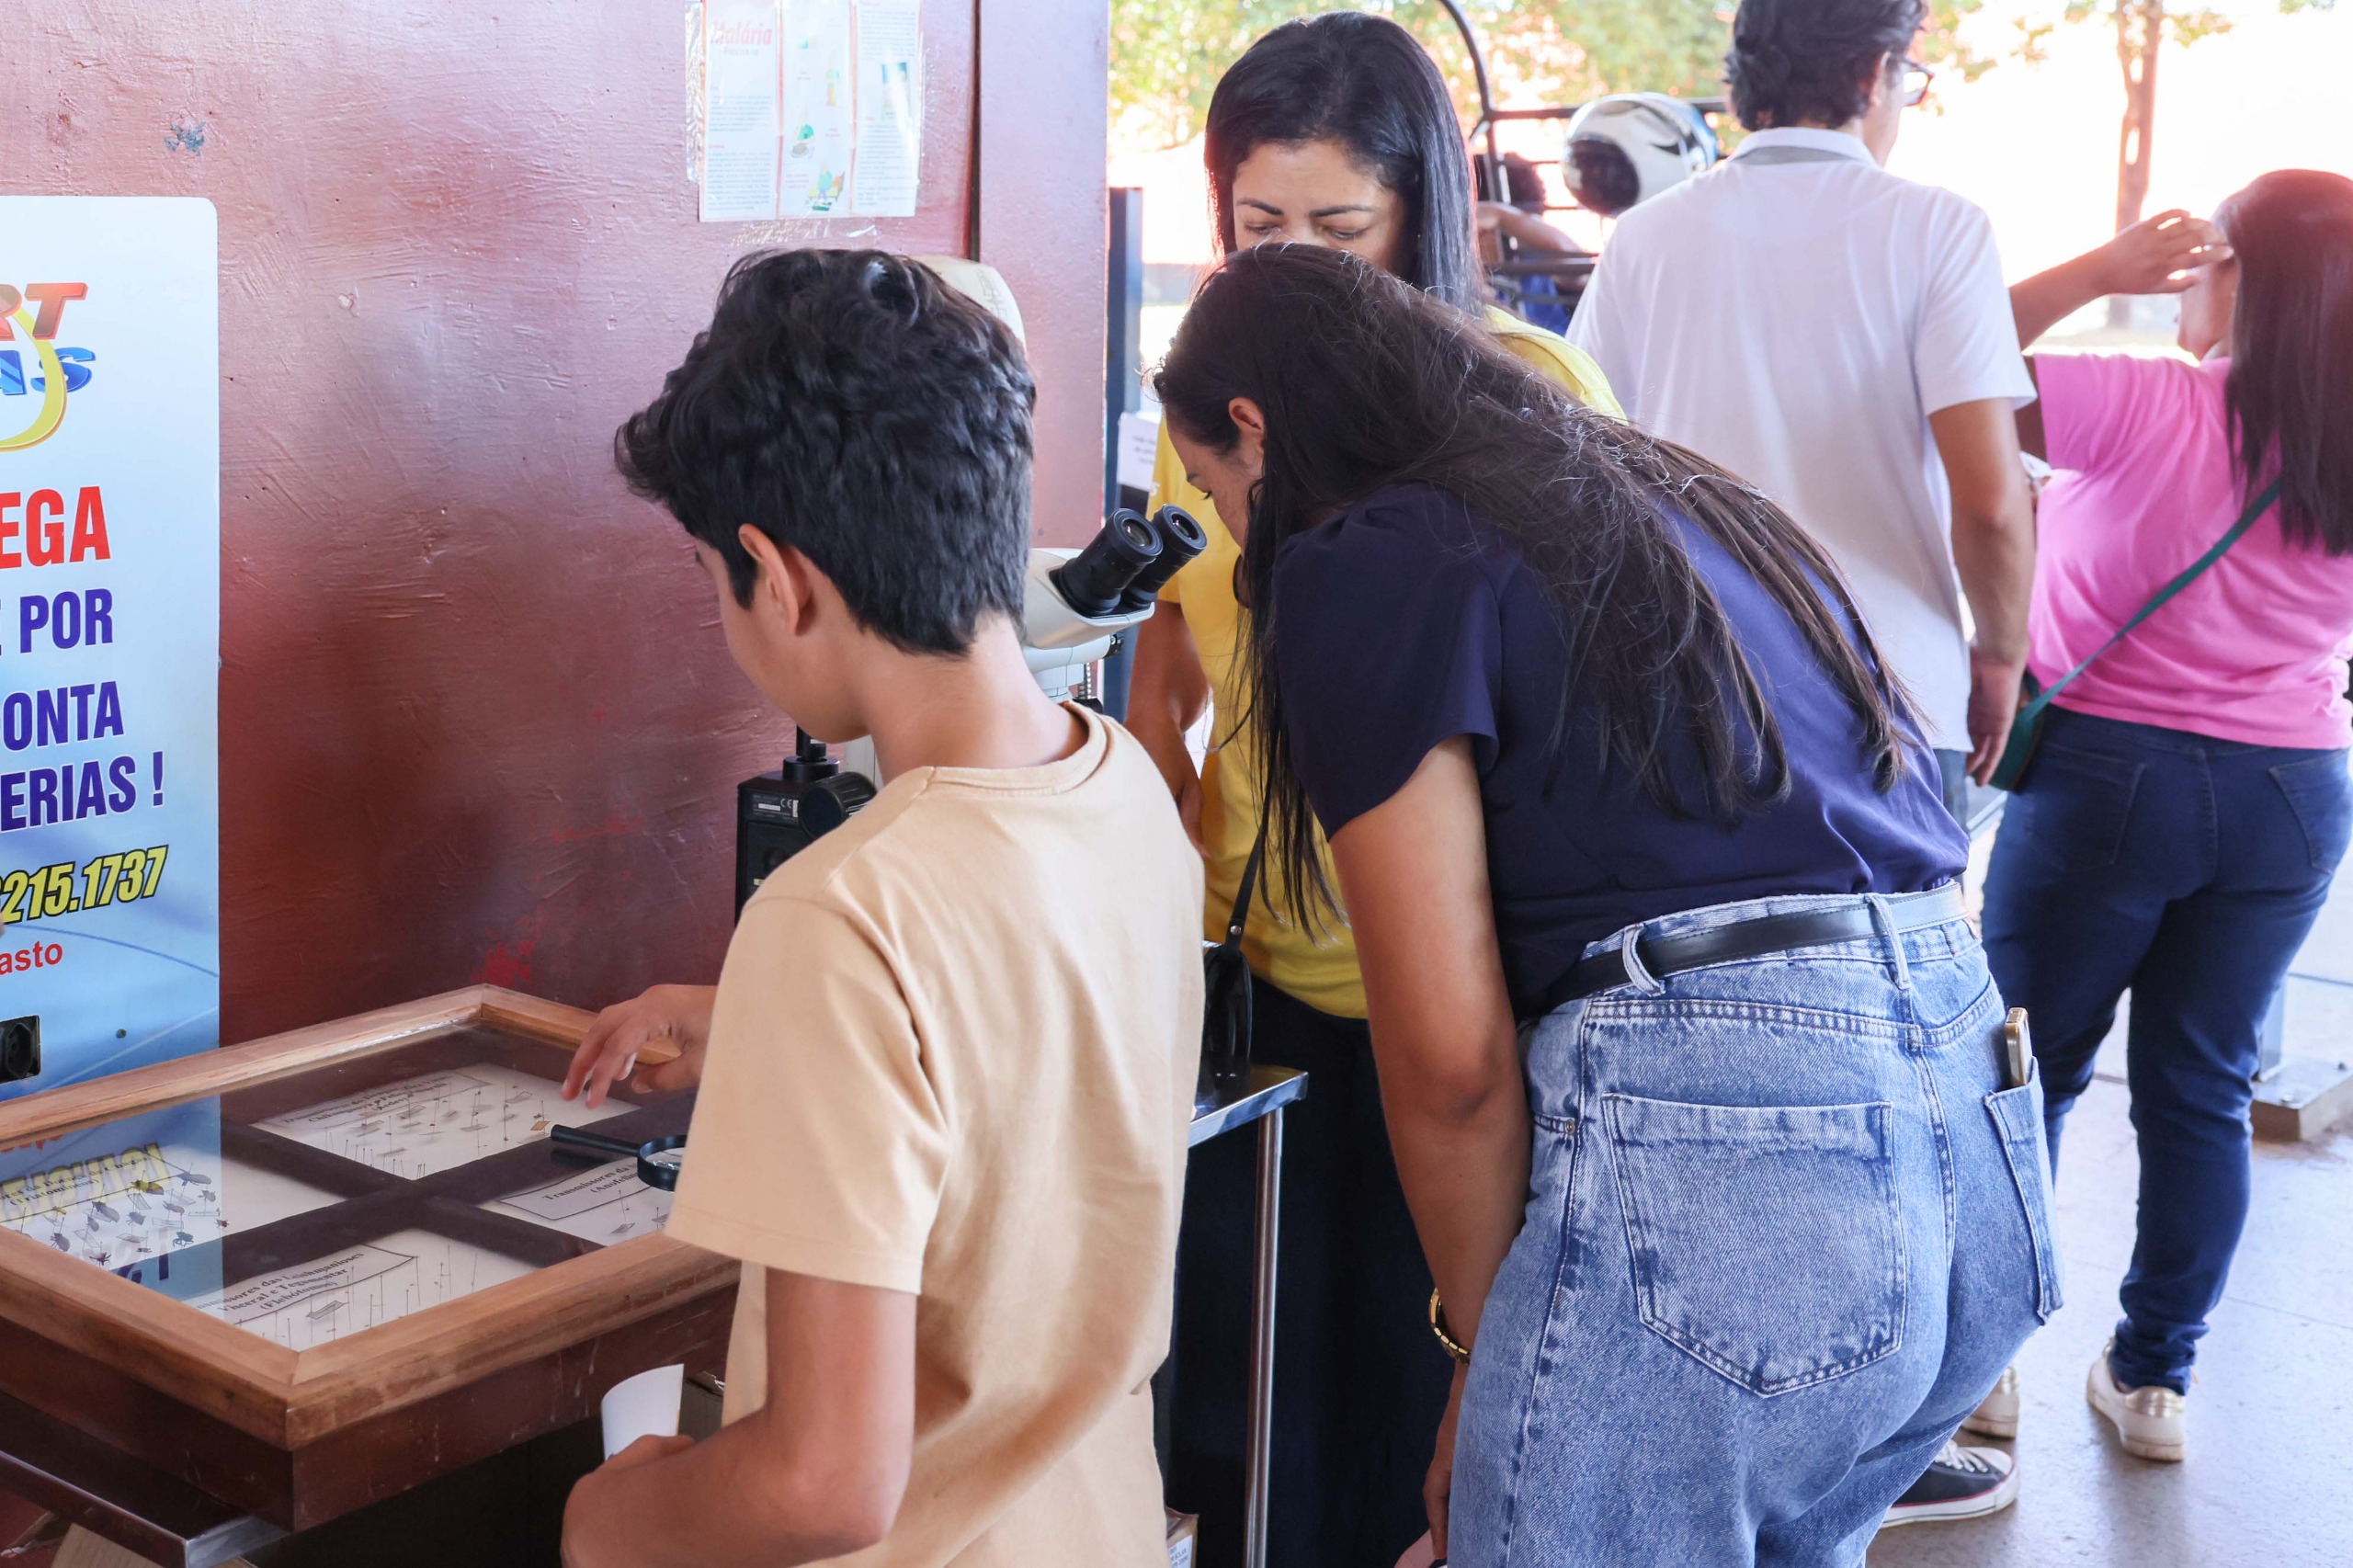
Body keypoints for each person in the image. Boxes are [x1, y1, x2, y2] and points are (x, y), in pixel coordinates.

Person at [1155, 241, 2053, 1566]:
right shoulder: (1686, 501)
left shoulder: (1364, 555)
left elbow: (1451, 1065)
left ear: (1252, 427)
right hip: (1973, 1150)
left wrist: (1485, 1359)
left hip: (1746, 1176)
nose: (1236, 536)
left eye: (1223, 493)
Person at [556, 250, 1203, 1568]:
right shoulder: (1120, 782)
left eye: (708, 577)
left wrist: (607, 1518)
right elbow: (1010, 1031)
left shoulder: (839, 914)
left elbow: (819, 1484)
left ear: (777, 577)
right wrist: (760, 1024)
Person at [1120, 16, 1620, 1565]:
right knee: (1261, 1415)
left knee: (1444, 1422)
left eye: (1344, 228)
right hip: (1262, 991)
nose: (1302, 267)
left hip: (1475, 1011)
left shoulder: (1527, 393)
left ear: (1428, 211)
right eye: (1260, 228)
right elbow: (1169, 666)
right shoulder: (1212, 396)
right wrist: (1140, 897)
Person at [1983, 172, 2353, 1463]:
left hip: (2110, 783)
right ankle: (2153, 1386)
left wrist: (2102, 266)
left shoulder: (2149, 399)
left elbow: (1949, 353)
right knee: (2201, 1092)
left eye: (2205, 261)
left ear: (2243, 277)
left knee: (2027, 1070)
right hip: (2295, 796)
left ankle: (1983, 1374)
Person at [1567, 0, 2039, 823]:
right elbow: (1992, 505)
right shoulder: (1939, 229)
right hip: (1897, 693)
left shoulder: (1643, 238)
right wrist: (2000, 655)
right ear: (1871, 74)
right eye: (1910, 78)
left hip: (1697, 684)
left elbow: (1582, 464)